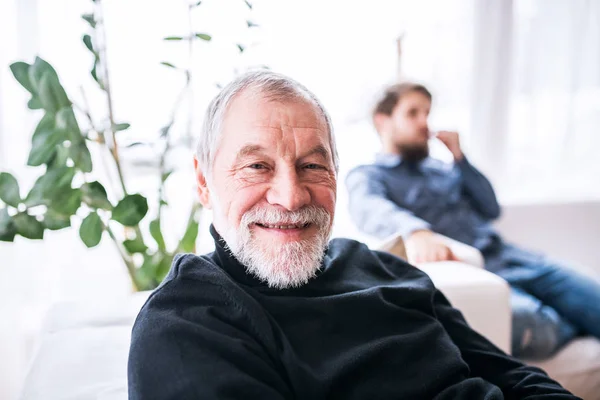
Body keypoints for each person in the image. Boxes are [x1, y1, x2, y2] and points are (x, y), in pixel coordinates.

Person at [128, 71, 577, 399]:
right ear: (203, 182)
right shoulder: (186, 322)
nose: (290, 195)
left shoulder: (382, 268)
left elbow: (515, 377)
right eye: (257, 166)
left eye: (312, 166)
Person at [346, 82, 600, 361]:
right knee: (533, 325)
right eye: (413, 113)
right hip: (476, 271)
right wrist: (415, 230)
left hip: (514, 257)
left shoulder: (442, 168)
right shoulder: (369, 175)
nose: (424, 123)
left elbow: (490, 208)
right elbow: (367, 207)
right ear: (383, 121)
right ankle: (574, 321)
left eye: (427, 113)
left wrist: (459, 157)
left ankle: (575, 315)